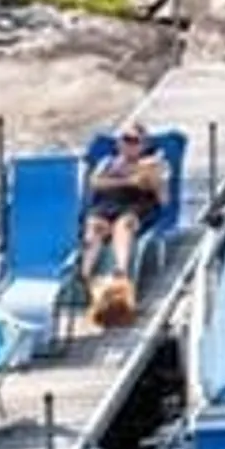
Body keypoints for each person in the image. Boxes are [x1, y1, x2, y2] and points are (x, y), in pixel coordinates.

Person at [80, 121, 168, 318]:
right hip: (106, 207)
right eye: (125, 139)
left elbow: (163, 200)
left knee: (125, 224)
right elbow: (94, 183)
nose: (128, 144)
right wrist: (128, 180)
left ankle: (121, 272)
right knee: (94, 227)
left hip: (136, 207)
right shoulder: (107, 162)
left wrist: (153, 180)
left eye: (134, 140)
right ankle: (84, 275)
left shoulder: (153, 164)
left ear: (143, 145)